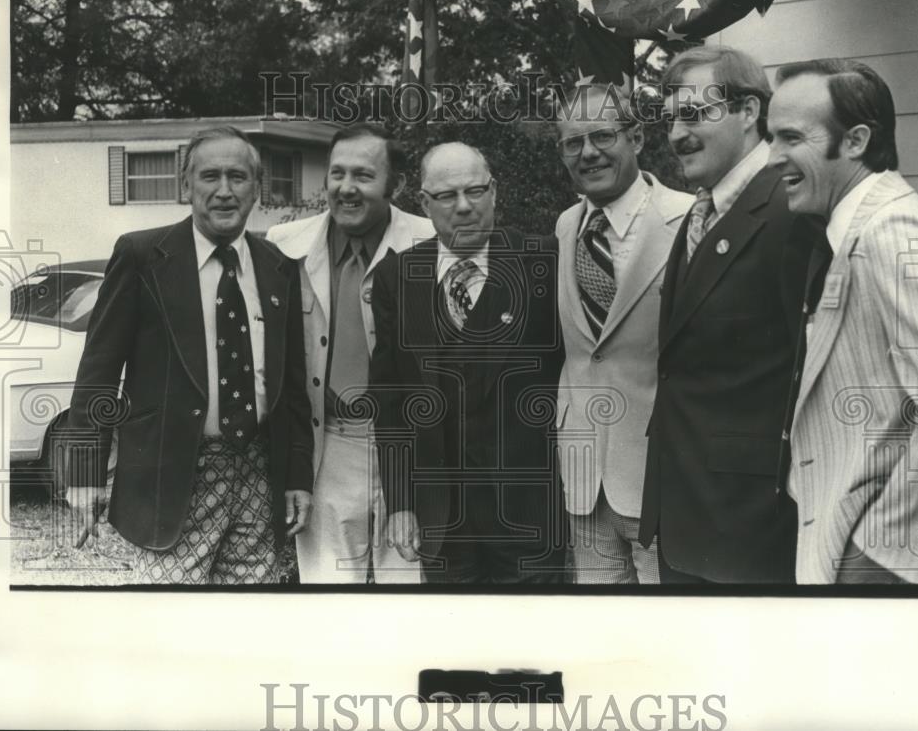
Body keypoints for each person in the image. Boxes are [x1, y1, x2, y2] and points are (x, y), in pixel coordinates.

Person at [64, 126, 314, 584]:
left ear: (255, 189)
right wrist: (84, 471)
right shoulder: (142, 255)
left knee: (243, 628)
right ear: (186, 186)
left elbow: (291, 385)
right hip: (170, 480)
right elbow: (98, 370)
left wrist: (297, 474)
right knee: (165, 624)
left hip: (257, 479)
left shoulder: (278, 266)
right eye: (210, 176)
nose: (224, 191)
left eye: (237, 177)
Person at [767, 58, 918, 584]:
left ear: (854, 141)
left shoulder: (892, 231)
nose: (772, 158)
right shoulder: (849, 230)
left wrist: (883, 558)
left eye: (790, 138)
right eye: (770, 138)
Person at [637, 46, 811, 584]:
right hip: (686, 514)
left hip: (751, 525)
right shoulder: (704, 207)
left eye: (694, 115)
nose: (676, 135)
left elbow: (812, 375)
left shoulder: (791, 209)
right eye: (670, 120)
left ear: (749, 112)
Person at [369, 141, 566, 584]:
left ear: (494, 191)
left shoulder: (543, 262)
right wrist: (402, 499)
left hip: (528, 511)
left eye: (475, 191)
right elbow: (391, 399)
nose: (463, 207)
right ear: (423, 202)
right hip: (442, 518)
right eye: (446, 196)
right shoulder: (397, 278)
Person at [267, 124, 433, 584]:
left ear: (395, 185)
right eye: (336, 174)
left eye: (362, 175)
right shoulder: (284, 246)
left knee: (411, 590)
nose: (346, 188)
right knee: (329, 591)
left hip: (411, 447)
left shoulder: (432, 244)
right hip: (331, 443)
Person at [554, 84, 693, 584]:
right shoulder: (566, 226)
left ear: (635, 137)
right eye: (573, 143)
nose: (588, 152)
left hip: (660, 477)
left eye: (603, 136)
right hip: (582, 474)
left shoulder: (689, 221)